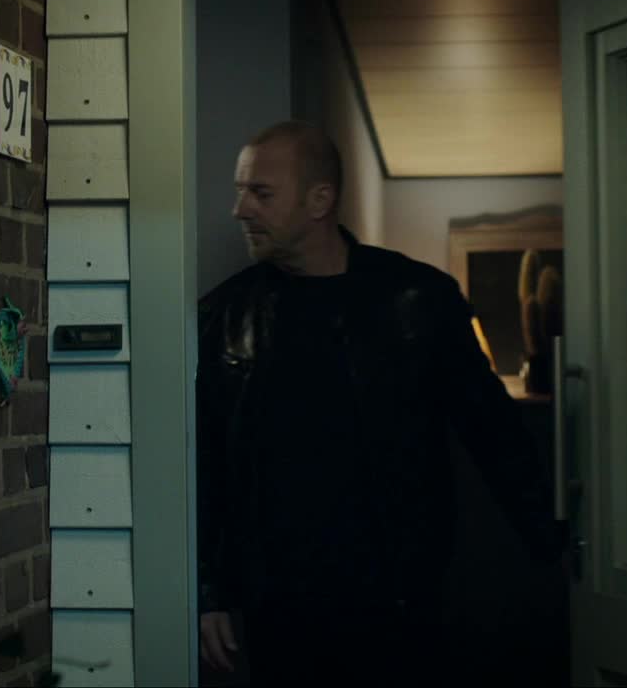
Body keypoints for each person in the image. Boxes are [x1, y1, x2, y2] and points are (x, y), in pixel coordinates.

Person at [196, 120, 567, 685]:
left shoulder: (419, 300)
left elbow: (495, 434)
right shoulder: (224, 319)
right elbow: (207, 465)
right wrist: (207, 591)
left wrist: (558, 550)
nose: (240, 209)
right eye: (241, 191)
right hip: (279, 612)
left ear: (321, 199)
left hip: (400, 605)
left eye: (260, 193)